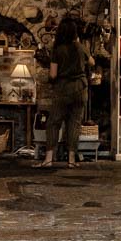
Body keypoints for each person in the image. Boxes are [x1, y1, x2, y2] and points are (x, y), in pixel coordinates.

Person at [43, 16, 89, 168]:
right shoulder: (80, 47)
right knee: (75, 123)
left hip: (62, 89)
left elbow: (53, 74)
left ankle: (48, 159)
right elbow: (92, 62)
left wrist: (50, 80)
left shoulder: (58, 50)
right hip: (80, 88)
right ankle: (71, 160)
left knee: (54, 123)